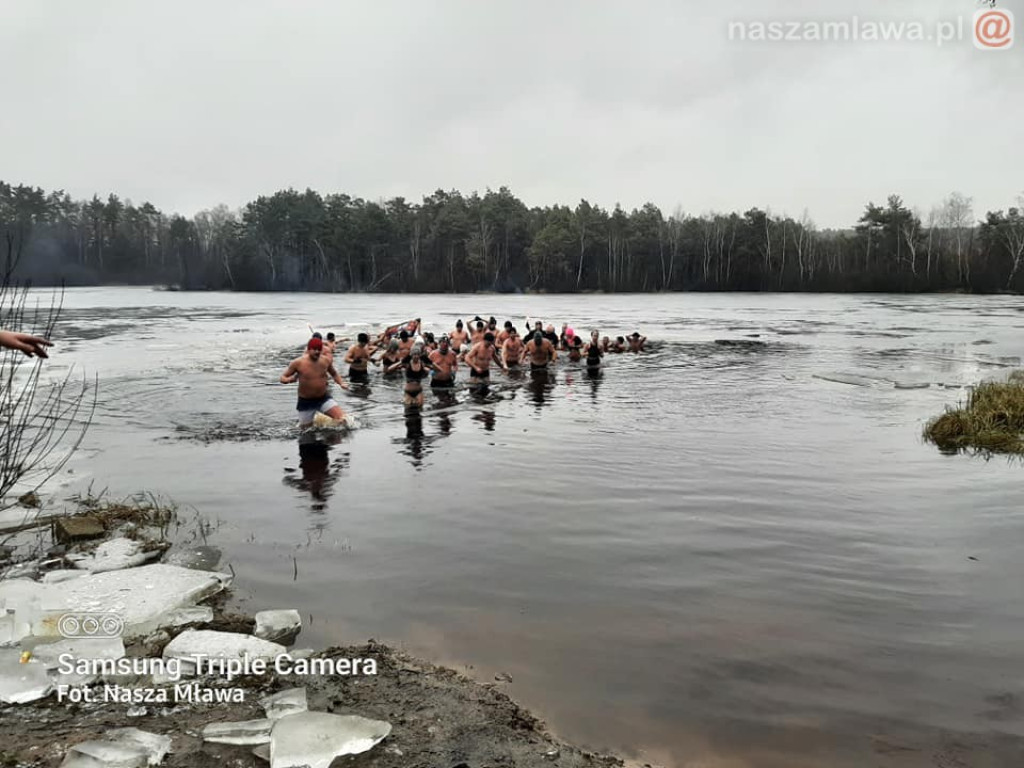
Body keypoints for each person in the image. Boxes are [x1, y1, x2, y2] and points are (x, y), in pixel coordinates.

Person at [280, 337, 349, 426]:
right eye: (314, 349)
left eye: (319, 349)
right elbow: (282, 378)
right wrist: (290, 380)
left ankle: (332, 438)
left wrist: (341, 383)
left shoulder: (325, 360)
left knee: (343, 420)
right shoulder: (298, 363)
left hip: (323, 398)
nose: (317, 352)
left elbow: (334, 373)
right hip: (306, 402)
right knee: (306, 431)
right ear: (308, 350)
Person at [387, 343, 434, 408]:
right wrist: (400, 362)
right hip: (408, 392)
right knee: (408, 412)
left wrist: (429, 369)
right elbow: (389, 369)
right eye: (414, 354)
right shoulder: (407, 364)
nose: (416, 356)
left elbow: (433, 368)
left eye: (417, 354)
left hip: (419, 391)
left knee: (420, 410)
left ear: (419, 355)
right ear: (411, 355)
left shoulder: (422, 364)